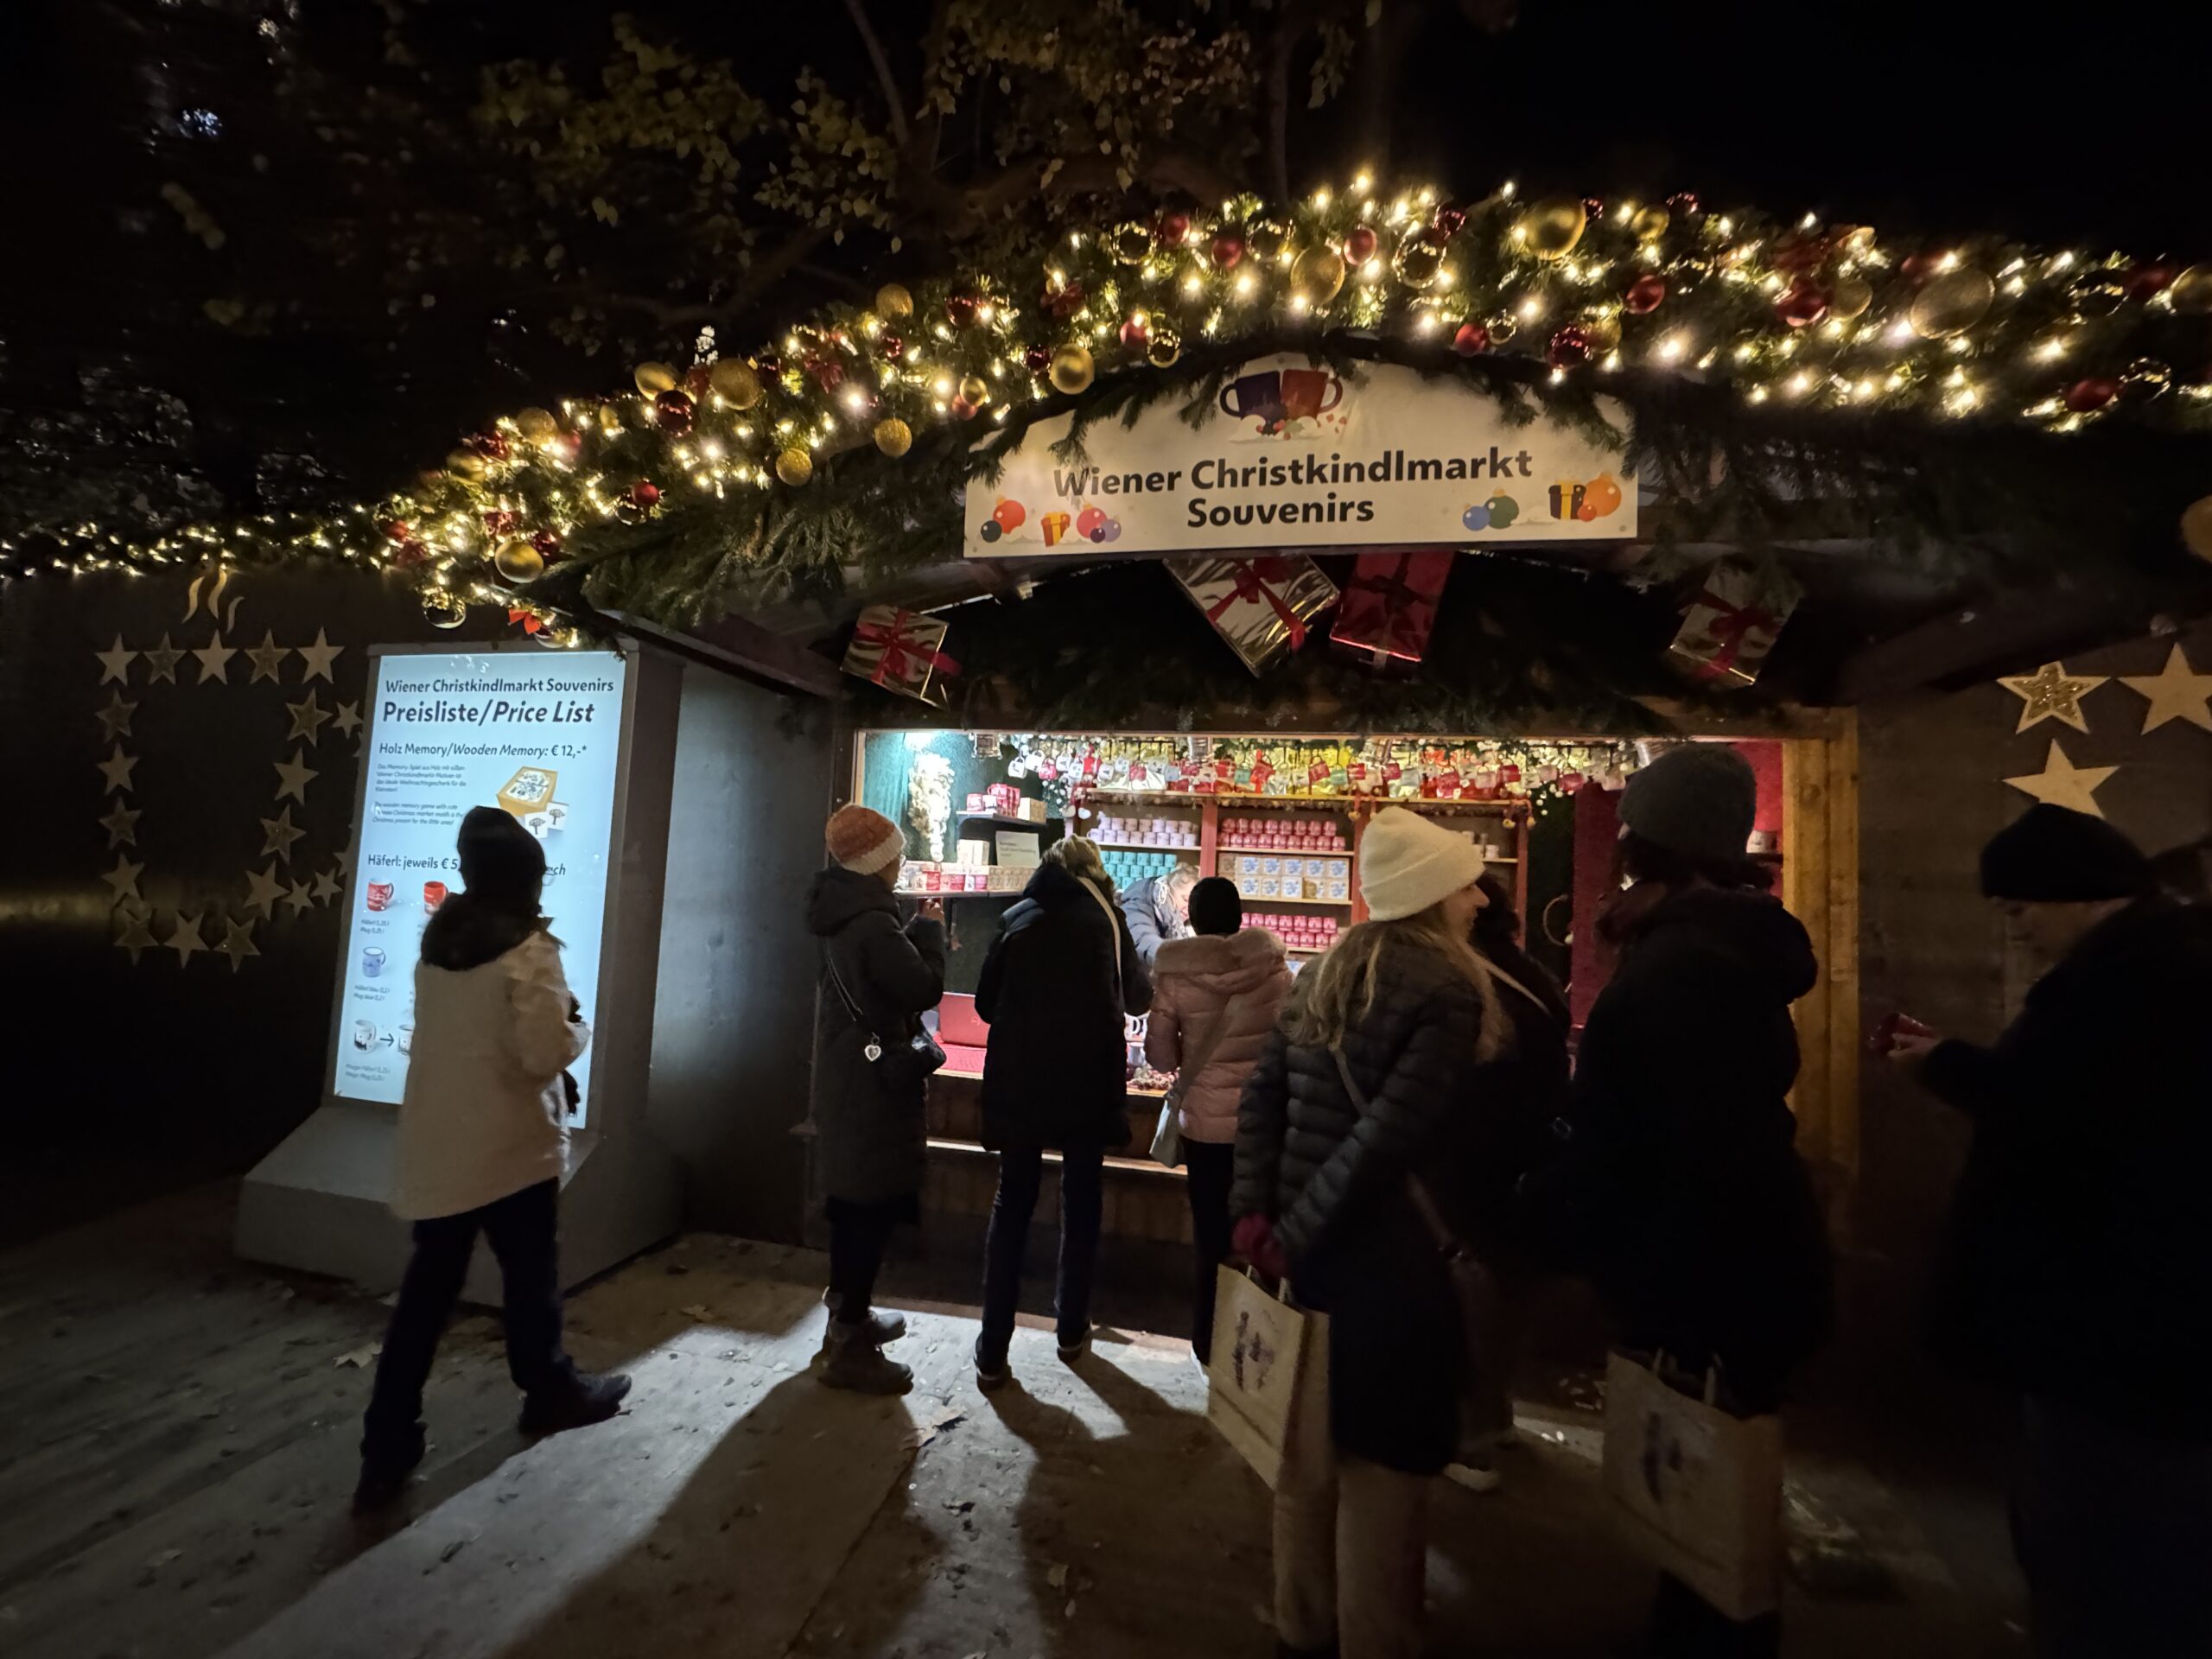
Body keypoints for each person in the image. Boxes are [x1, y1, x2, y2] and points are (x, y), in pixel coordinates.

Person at [1888, 804, 2212, 1656]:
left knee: (2109, 1566)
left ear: (2081, 895)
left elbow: (2057, 1116)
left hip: (2118, 1342)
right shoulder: (2149, 969)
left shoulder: (2130, 986)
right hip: (2124, 1335)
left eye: (2021, 907)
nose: (2016, 927)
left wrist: (1947, 1067)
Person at [1546, 744, 1831, 1657]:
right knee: (1707, 1487)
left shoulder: (1680, 965)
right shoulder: (1729, 942)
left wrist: (1588, 1225)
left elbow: (1671, 1135)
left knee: (1709, 1485)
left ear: (1649, 842)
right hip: (1737, 1254)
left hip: (1704, 1265)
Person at [1231, 806, 1504, 1659]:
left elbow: (1262, 1097)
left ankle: (1300, 1627)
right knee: (1382, 1481)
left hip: (1304, 1267)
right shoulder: (1449, 989)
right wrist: (1296, 1228)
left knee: (1303, 1463)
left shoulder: (1323, 971)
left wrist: (1258, 1218)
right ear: (1428, 892)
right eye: (1465, 884)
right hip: (1387, 1269)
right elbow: (1387, 1136)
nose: (1479, 899)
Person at [356, 807, 630, 1510]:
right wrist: (579, 1026)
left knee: (424, 1299)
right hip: (509, 1148)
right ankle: (548, 1389)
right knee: (530, 1279)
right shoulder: (528, 951)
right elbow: (543, 1052)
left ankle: (386, 1444)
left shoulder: (439, 940)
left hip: (443, 1145)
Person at [973, 836, 1151, 1388]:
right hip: (1085, 1083)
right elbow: (1138, 998)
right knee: (1082, 1200)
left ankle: (992, 1348)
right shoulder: (1108, 921)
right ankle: (1072, 1328)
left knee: (1013, 1202)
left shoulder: (1015, 918)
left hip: (1020, 1082)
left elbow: (984, 1004)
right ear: (1094, 873)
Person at [806, 804, 947, 1395]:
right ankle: (850, 1346)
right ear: (876, 863)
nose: (900, 864)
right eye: (896, 855)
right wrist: (931, 933)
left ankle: (849, 1317)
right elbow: (922, 987)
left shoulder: (840, 913)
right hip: (871, 1083)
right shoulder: (870, 922)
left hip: (846, 1075)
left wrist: (908, 934)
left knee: (851, 1201)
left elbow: (874, 977)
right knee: (867, 1208)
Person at [1144, 876, 1293, 1365]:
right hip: (1263, 1125)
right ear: (1239, 915)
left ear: (1193, 919)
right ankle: (1261, 1348)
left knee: (1210, 1236)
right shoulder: (1275, 970)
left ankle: (1208, 1345)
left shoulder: (1176, 976)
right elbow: (1293, 1044)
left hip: (1205, 1127)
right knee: (1258, 1230)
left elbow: (1161, 1058)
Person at [1122, 863, 1198, 969]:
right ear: (1168, 889)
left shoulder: (1178, 921)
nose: (1188, 908)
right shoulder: (1139, 904)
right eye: (1185, 899)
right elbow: (1143, 939)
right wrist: (1178, 959)